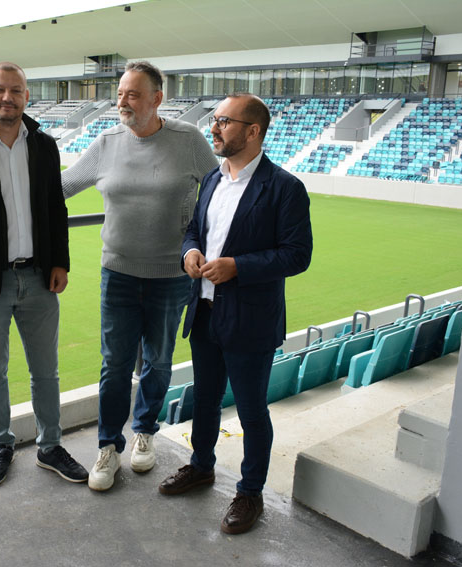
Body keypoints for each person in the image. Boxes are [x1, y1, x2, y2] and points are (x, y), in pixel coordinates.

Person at [158, 93, 312, 535]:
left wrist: (238, 267)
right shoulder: (212, 178)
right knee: (205, 400)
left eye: (224, 121)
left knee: (250, 410)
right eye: (215, 119)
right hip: (205, 312)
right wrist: (190, 252)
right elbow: (194, 230)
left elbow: (297, 255)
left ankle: (250, 493)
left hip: (250, 320)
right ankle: (201, 466)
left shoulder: (284, 187)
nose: (214, 128)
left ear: (253, 131)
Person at [62, 61, 219, 491]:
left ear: (157, 99)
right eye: (120, 94)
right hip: (118, 274)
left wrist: (201, 246)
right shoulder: (107, 142)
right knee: (114, 364)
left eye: (133, 94)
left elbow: (219, 191)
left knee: (158, 360)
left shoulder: (188, 140)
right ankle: (108, 446)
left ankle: (145, 431)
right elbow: (63, 186)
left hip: (172, 275)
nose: (123, 102)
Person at [0, 62, 88, 486]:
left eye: (15, 90)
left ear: (27, 96)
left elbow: (56, 208)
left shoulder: (44, 145)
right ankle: (2, 443)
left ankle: (50, 446)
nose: (7, 98)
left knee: (46, 371)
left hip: (38, 277)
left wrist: (60, 262)